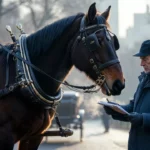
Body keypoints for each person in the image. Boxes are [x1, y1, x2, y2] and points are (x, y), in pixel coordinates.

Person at [103, 40, 150, 150]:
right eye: (141, 59)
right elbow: (132, 108)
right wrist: (114, 109)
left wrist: (143, 119)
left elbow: (138, 117)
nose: (141, 64)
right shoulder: (143, 82)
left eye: (145, 59)